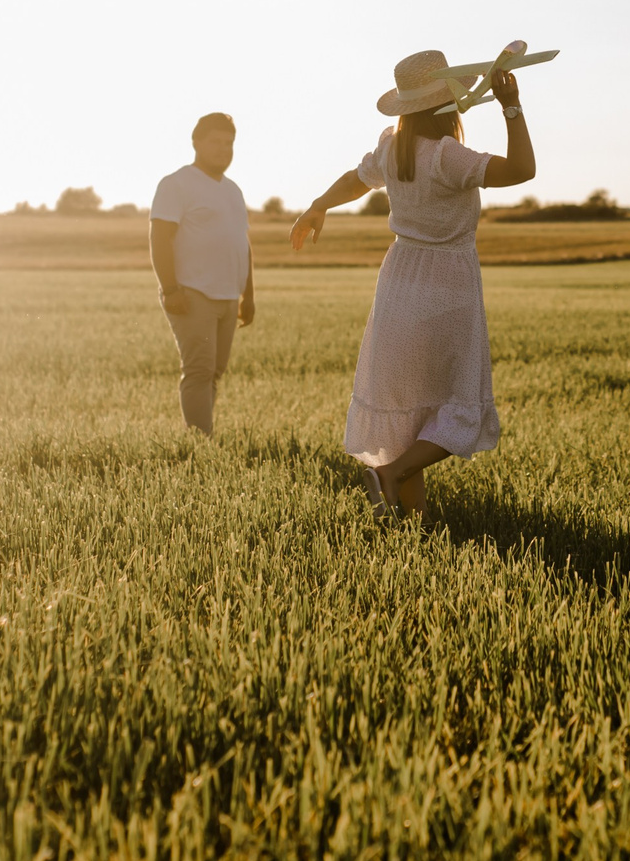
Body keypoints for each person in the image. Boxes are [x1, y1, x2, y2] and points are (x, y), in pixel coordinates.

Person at [290, 51, 536, 515]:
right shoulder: (447, 156)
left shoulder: (392, 148)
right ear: (447, 105)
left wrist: (318, 205)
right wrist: (511, 106)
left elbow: (353, 180)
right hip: (449, 283)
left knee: (409, 407)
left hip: (400, 279)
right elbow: (522, 170)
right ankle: (392, 472)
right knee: (459, 405)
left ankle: (411, 521)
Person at [149, 112, 255, 436]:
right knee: (199, 371)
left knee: (214, 373)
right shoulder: (176, 184)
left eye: (229, 143)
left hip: (227, 295)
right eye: (216, 142)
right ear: (196, 142)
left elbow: (243, 244)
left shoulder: (233, 190)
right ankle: (200, 444)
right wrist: (170, 289)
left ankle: (201, 437)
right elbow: (159, 238)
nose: (224, 149)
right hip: (192, 292)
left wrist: (248, 296)